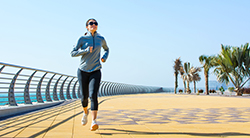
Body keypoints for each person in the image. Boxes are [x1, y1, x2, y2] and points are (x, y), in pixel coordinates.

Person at [71, 18, 109, 131]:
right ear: (87, 26)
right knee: (84, 97)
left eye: (95, 23)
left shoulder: (101, 39)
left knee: (93, 95)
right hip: (83, 71)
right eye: (91, 23)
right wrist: (85, 50)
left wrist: (104, 57)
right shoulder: (82, 39)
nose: (94, 25)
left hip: (96, 70)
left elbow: (107, 49)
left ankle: (94, 121)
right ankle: (85, 112)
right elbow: (73, 53)